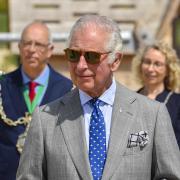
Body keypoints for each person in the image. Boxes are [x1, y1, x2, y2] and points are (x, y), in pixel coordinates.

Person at [17, 15, 180, 180]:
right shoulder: (45, 119)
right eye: (73, 55)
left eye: (91, 56)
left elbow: (170, 176)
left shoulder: (153, 114)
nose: (81, 66)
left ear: (115, 61)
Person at [0, 21, 73, 180]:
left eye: (38, 44)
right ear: (19, 47)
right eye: (27, 43)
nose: (31, 50)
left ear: (50, 50)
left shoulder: (67, 90)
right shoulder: (2, 86)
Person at [132, 41, 180, 148]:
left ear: (168, 69)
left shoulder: (177, 103)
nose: (150, 69)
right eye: (147, 62)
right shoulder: (130, 100)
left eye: (157, 64)